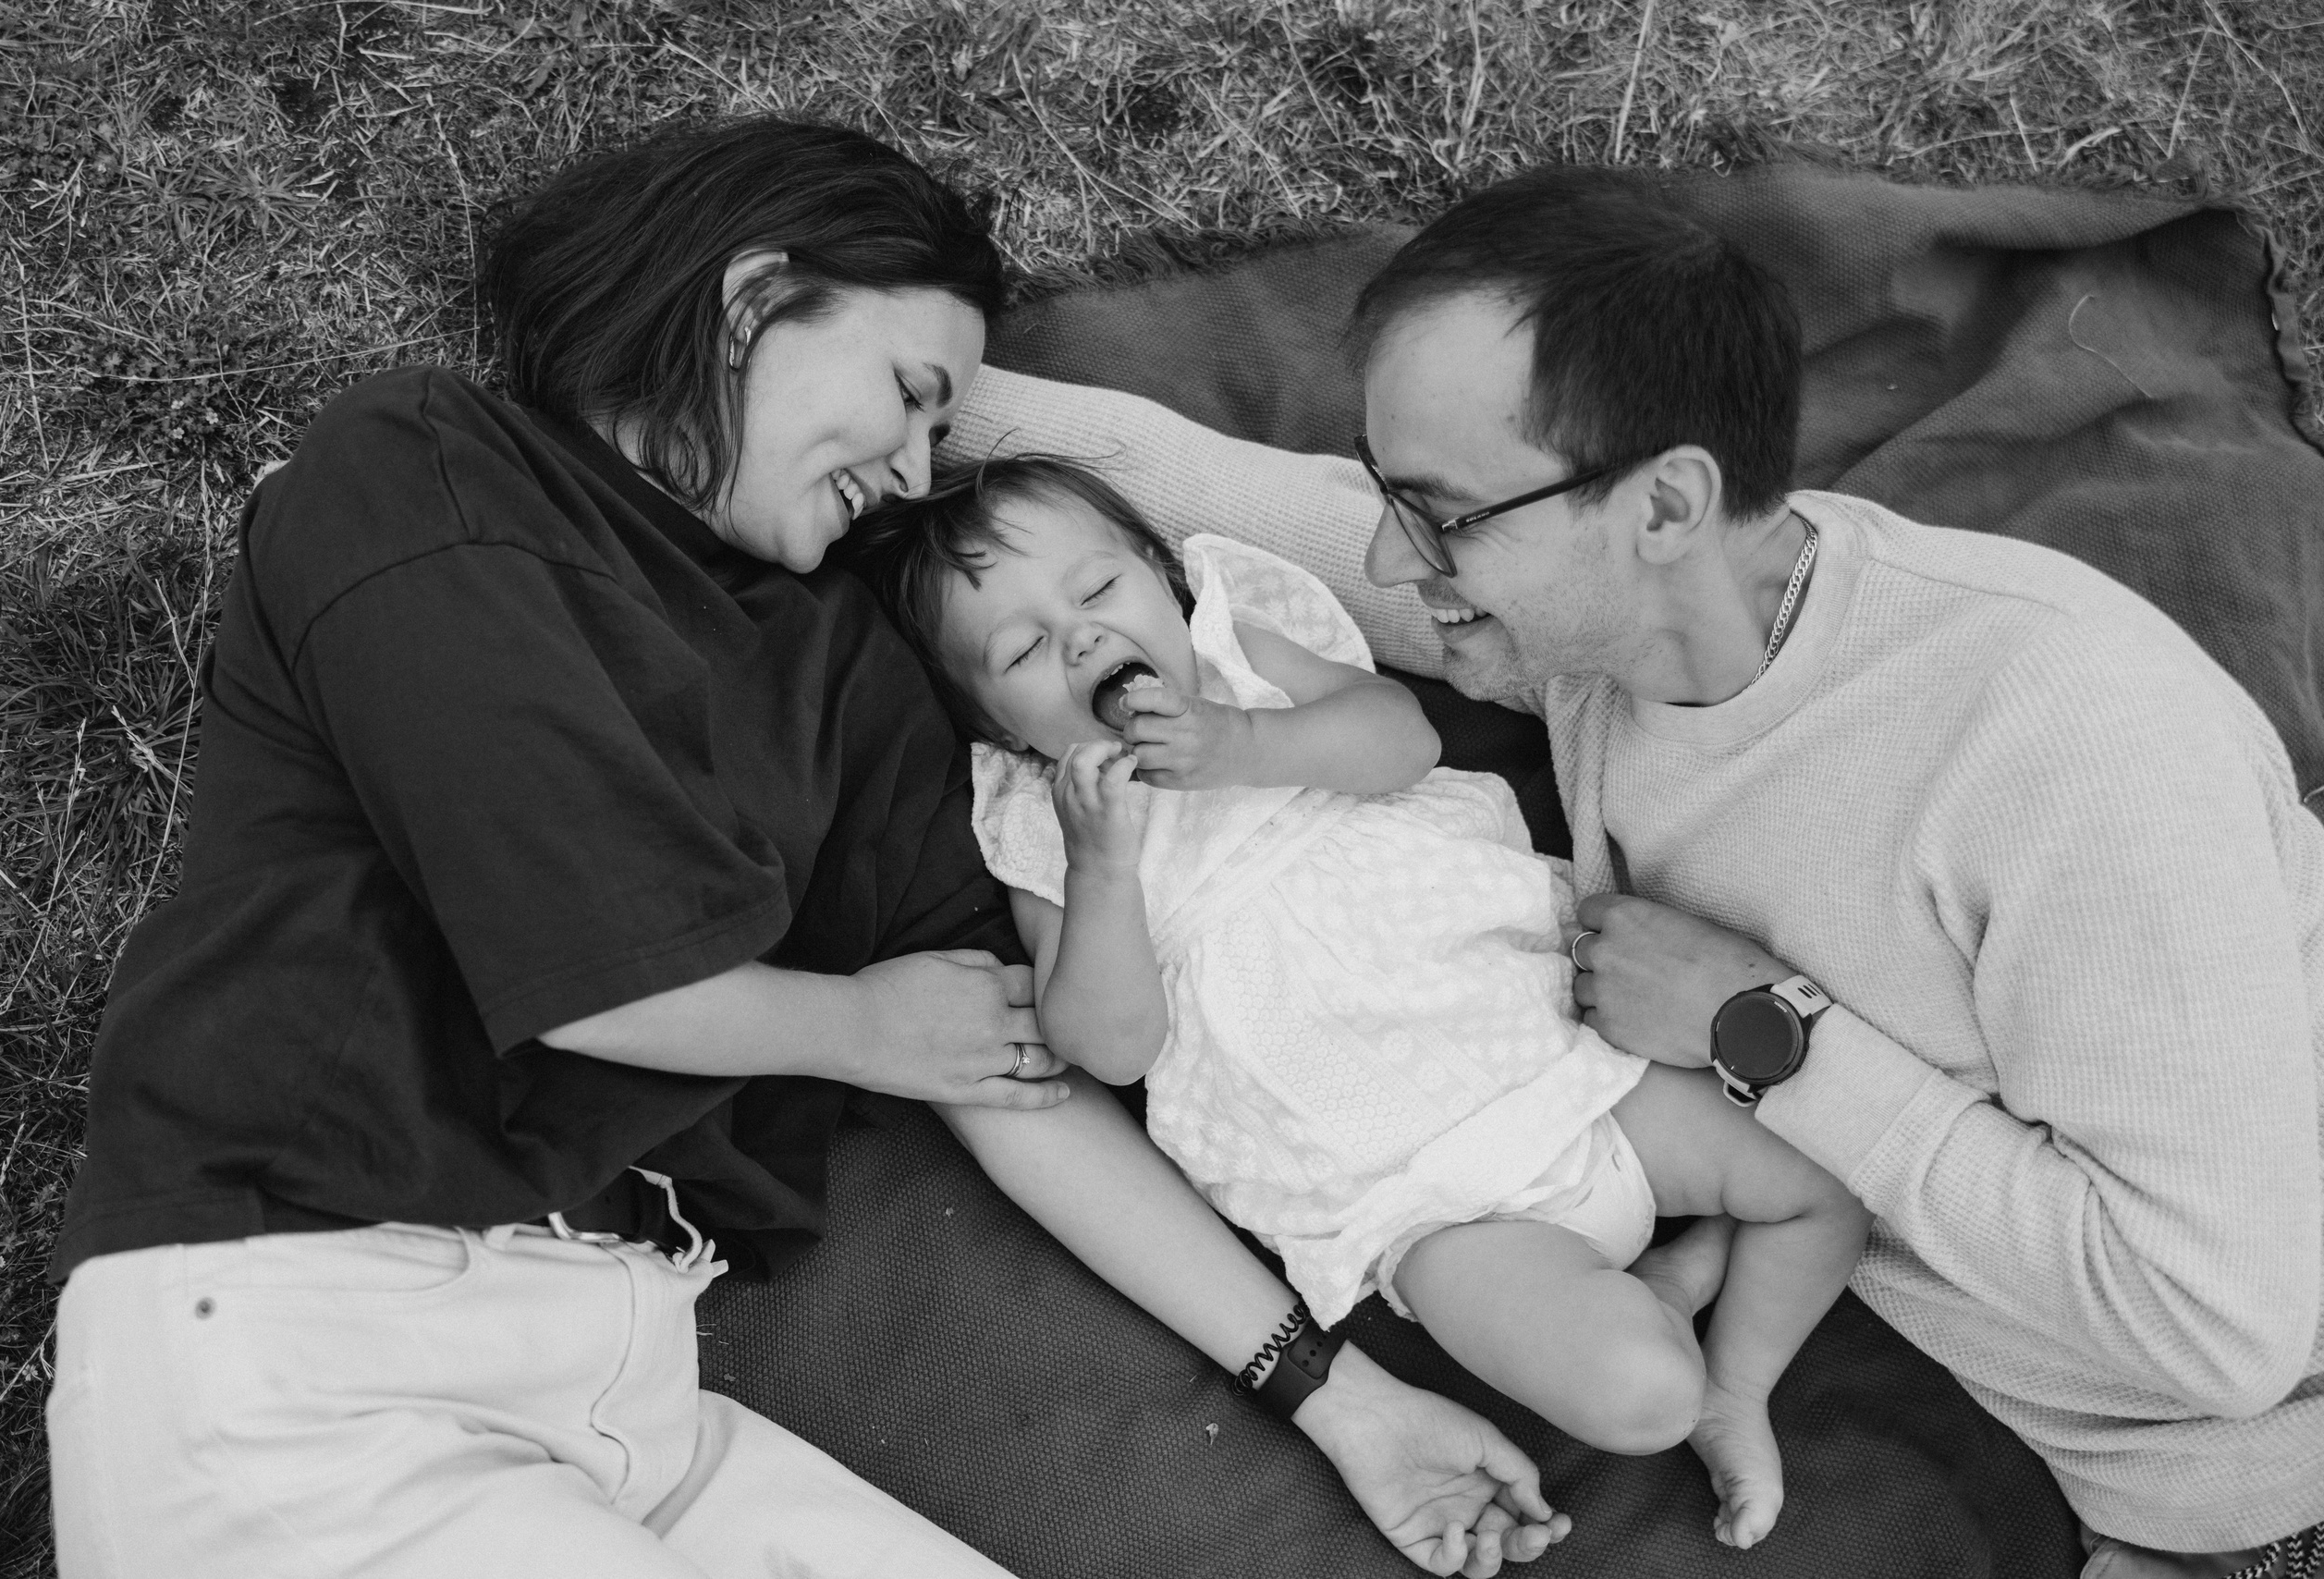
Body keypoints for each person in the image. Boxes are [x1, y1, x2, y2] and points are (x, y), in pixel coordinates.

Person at [43, 118, 1561, 1579]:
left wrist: (1340, 1398)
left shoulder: (850, 659)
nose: (911, 469)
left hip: (639, 1391)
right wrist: (853, 1024)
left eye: (939, 427)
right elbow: (592, 972)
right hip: (311, 1328)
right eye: (905, 392)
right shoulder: (433, 479)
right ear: (757, 298)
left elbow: (997, 1064)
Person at [939, 165, 2323, 1579]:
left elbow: (2218, 1332)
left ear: (1665, 509)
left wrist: (1762, 1036)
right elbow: (1231, 517)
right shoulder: (1608, 625)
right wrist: (883, 400)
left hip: (2200, 1441)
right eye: (1386, 489)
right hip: (1801, 1267)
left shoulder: (2074, 754)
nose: (1379, 550)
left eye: (1440, 514)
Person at [850, 455, 1871, 1547]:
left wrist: (1246, 745)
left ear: (1163, 580)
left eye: (1098, 591)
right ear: (1000, 728)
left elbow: (1402, 741)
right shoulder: (1044, 825)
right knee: (1642, 1398)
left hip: (1566, 1055)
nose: (1082, 639)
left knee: (1833, 1176)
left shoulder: (1242, 649)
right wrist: (1104, 867)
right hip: (1428, 1201)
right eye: (1022, 650)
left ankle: (1740, 1386)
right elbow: (1106, 1046)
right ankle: (1670, 1321)